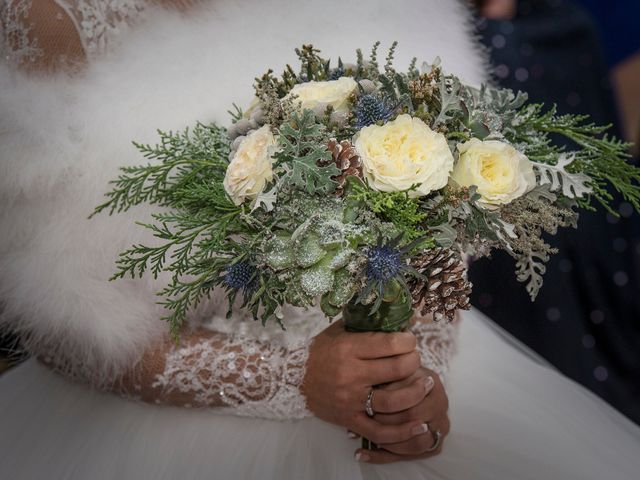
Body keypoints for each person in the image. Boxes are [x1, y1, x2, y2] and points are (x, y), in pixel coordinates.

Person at [0, 1, 639, 479]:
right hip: (166, 427)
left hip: (408, 392)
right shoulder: (53, 20)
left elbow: (438, 208)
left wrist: (410, 383)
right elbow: (61, 320)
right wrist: (296, 380)